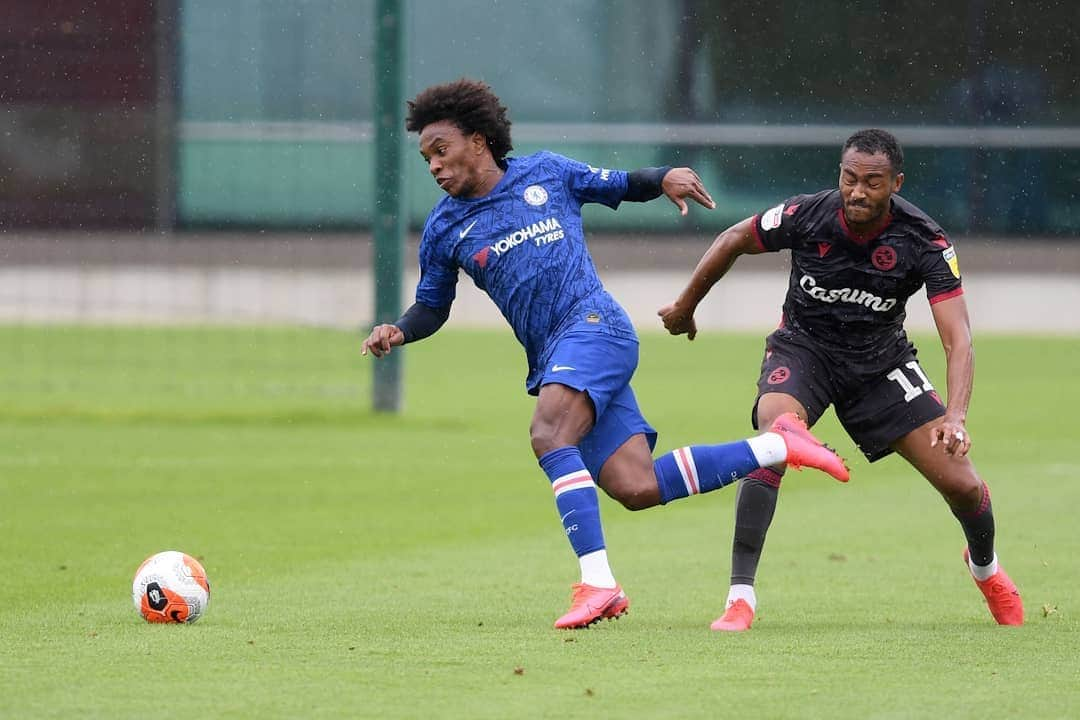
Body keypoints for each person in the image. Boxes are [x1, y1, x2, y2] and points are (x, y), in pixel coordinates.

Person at [360, 78, 850, 630]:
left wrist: (664, 177)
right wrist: (399, 331)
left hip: (595, 326)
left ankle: (597, 583)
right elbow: (432, 307)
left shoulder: (545, 172)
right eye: (425, 157)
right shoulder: (444, 227)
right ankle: (775, 446)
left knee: (549, 434)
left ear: (478, 140)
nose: (433, 165)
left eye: (440, 150)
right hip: (557, 356)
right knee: (635, 486)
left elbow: (618, 183)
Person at [659, 128, 1024, 630]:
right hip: (804, 349)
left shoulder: (925, 240)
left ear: (896, 182)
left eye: (872, 182)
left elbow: (959, 339)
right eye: (849, 178)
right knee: (774, 440)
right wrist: (684, 306)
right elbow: (733, 239)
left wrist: (956, 415)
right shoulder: (807, 214)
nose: (856, 192)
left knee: (963, 484)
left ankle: (986, 570)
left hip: (881, 364)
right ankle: (740, 599)